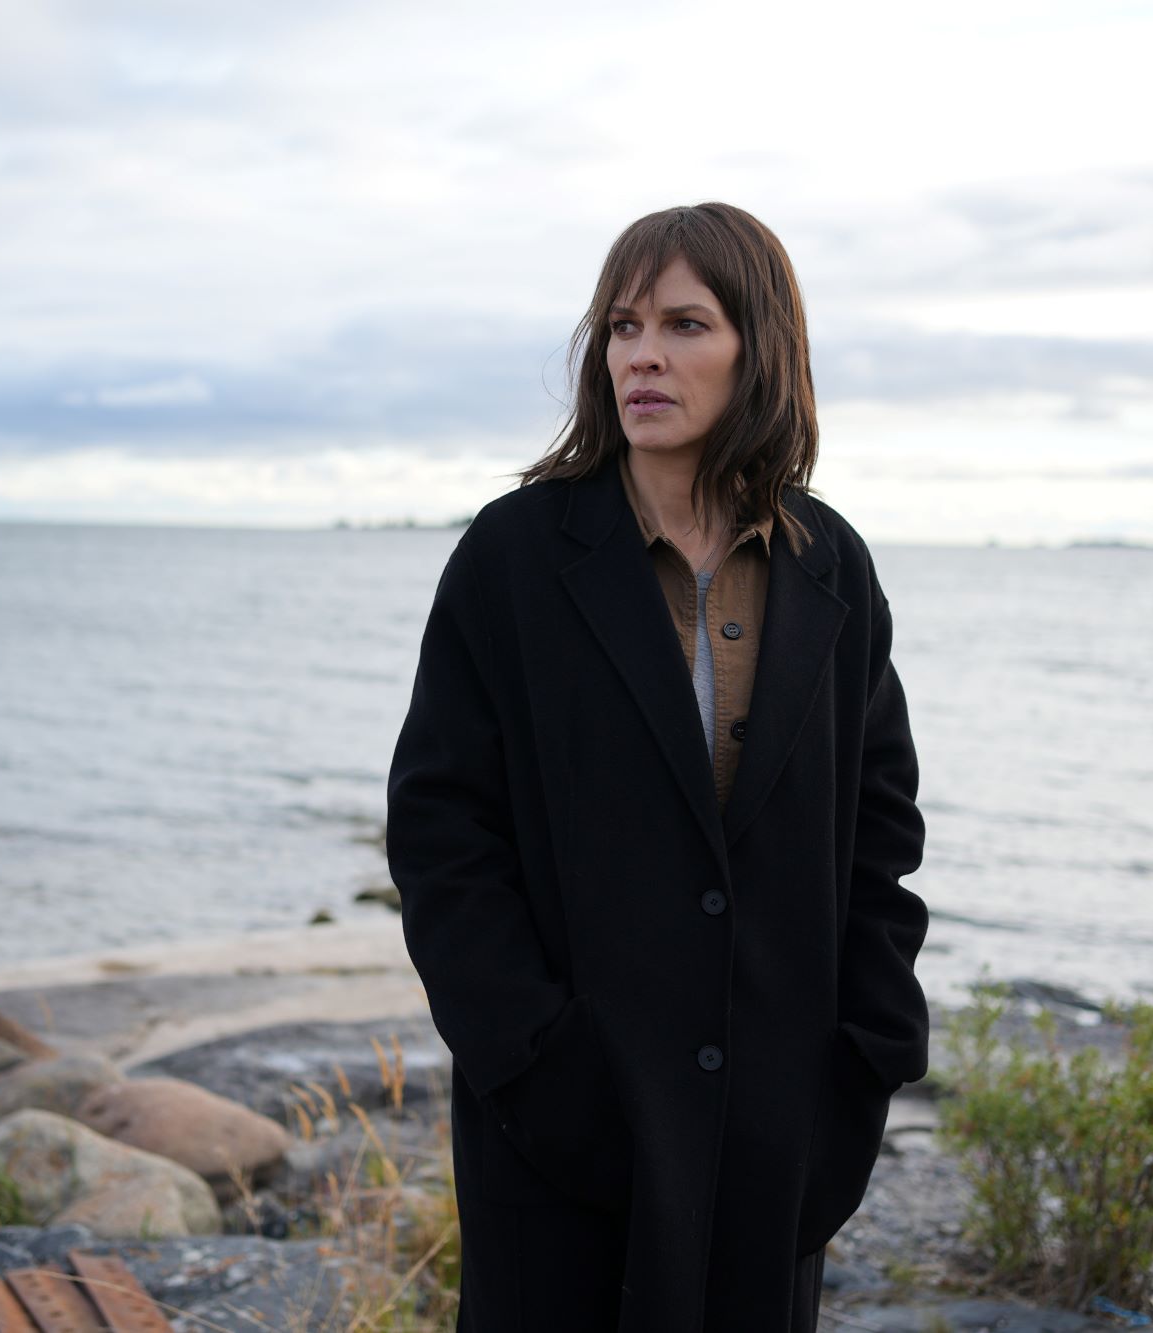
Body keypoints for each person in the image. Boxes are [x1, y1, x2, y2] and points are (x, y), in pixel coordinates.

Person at [386, 201, 929, 1333]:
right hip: (561, 1124)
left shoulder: (831, 566)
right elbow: (442, 833)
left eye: (683, 323)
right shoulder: (515, 557)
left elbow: (880, 835)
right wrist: (531, 1064)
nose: (640, 353)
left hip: (775, 1136)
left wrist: (864, 1064)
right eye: (621, 326)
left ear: (757, 347)